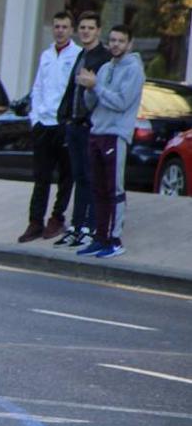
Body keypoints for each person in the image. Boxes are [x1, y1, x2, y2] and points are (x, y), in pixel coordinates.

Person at [77, 25, 144, 260]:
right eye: (113, 40)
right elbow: (91, 104)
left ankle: (114, 241)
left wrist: (96, 86)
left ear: (130, 44)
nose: (115, 44)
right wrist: (88, 88)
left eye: (121, 41)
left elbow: (121, 102)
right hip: (97, 132)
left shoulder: (134, 70)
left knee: (114, 190)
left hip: (115, 136)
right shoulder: (105, 68)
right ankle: (100, 237)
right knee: (98, 188)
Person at [19, 11, 81, 243]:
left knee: (66, 176)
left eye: (64, 27)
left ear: (71, 30)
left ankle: (57, 218)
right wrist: (34, 119)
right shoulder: (46, 55)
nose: (60, 30)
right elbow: (38, 88)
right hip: (43, 124)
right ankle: (35, 222)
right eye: (56, 26)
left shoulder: (77, 55)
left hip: (63, 124)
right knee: (41, 177)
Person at [53, 10, 112, 249]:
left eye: (90, 28)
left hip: (91, 126)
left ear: (98, 30)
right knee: (79, 177)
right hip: (74, 125)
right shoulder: (81, 55)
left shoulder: (103, 58)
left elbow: (100, 92)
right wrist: (64, 116)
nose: (86, 32)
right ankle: (76, 226)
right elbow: (71, 88)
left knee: (91, 178)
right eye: (83, 28)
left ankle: (90, 226)